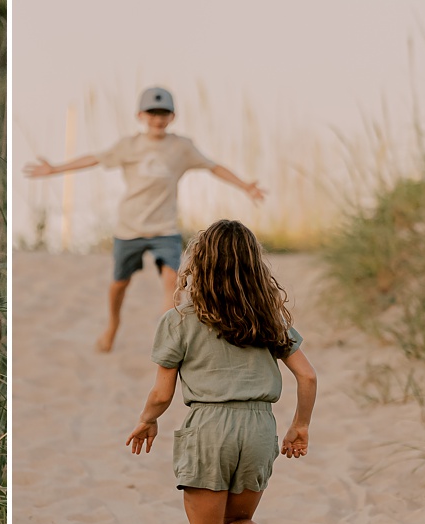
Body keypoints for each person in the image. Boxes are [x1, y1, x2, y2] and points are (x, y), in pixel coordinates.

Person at [125, 220, 317, 524]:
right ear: (253, 267)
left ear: (199, 265)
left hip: (208, 428)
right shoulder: (267, 319)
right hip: (258, 428)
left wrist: (147, 419)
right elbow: (307, 376)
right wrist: (299, 426)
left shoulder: (179, 321)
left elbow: (161, 393)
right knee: (236, 522)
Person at [22, 87, 266, 352]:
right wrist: (55, 168)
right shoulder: (129, 146)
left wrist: (245, 186)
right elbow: (94, 158)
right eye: (152, 113)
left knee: (172, 281)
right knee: (119, 284)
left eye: (163, 113)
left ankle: (168, 338)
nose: (157, 119)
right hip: (130, 228)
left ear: (172, 116)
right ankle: (113, 325)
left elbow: (213, 166)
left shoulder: (181, 147)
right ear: (140, 115)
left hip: (165, 228)